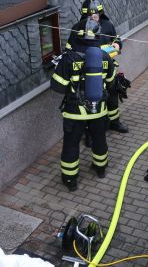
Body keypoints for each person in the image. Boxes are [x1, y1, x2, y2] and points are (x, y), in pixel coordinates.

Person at [51, 18, 116, 190]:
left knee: (71, 144)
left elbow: (57, 87)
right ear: (98, 36)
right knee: (99, 139)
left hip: (75, 112)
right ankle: (100, 169)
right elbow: (111, 82)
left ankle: (70, 180)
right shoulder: (105, 56)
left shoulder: (68, 58)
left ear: (77, 35)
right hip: (99, 110)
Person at [67, 0, 129, 134]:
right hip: (88, 72)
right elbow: (69, 49)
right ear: (84, 15)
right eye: (90, 15)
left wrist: (117, 44)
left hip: (107, 68)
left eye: (96, 15)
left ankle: (114, 122)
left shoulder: (107, 25)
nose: (94, 17)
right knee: (90, 99)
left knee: (112, 96)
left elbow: (116, 39)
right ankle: (90, 132)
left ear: (101, 13)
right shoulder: (77, 28)